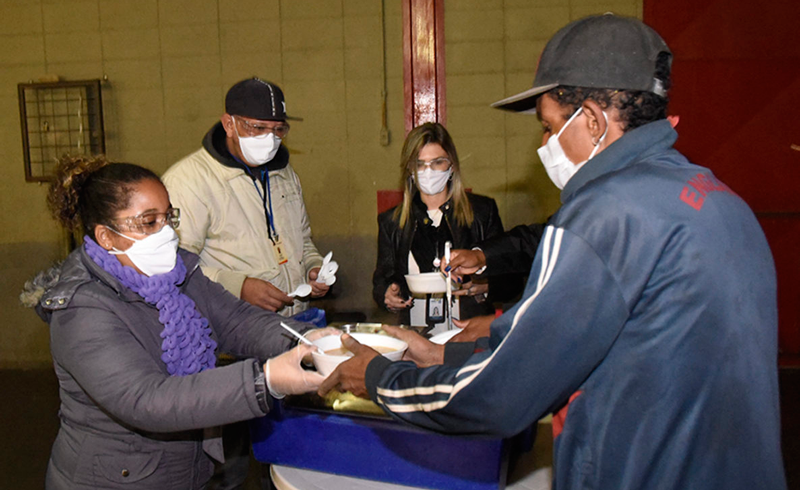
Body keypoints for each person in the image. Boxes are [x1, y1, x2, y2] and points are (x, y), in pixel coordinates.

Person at [320, 14, 786, 490]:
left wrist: (380, 378)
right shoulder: (719, 200)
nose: (544, 145)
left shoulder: (601, 217)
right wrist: (442, 353)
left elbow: (501, 397)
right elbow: (603, 342)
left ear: (593, 121)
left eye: (548, 127)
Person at [23, 156, 331, 489]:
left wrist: (310, 340)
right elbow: (148, 400)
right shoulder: (82, 309)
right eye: (148, 222)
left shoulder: (177, 272)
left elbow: (236, 321)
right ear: (106, 236)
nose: (167, 233)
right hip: (116, 479)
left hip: (184, 470)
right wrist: (265, 380)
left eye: (168, 217)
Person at [162, 77, 331, 316]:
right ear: (229, 124)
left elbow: (302, 240)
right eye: (258, 128)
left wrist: (313, 267)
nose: (269, 139)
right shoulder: (189, 181)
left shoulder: (284, 174)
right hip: (229, 325)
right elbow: (174, 264)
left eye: (278, 130)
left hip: (292, 321)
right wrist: (238, 286)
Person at [373, 122, 518, 335]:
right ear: (409, 170)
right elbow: (381, 281)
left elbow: (511, 280)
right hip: (416, 334)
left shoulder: (481, 212)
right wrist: (387, 295)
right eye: (420, 164)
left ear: (452, 166)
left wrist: (486, 285)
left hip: (470, 334)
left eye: (438, 162)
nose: (428, 171)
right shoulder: (392, 222)